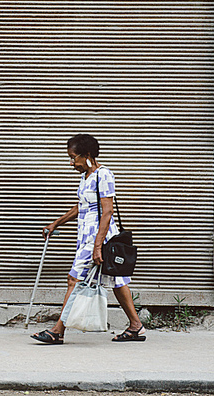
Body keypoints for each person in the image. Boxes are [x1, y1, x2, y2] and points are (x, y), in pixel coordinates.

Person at [31, 133, 146, 344]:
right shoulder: (86, 178)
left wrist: (97, 246)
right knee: (117, 281)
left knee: (74, 279)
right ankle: (135, 326)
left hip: (99, 237)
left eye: (73, 157)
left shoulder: (104, 175)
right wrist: (57, 222)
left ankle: (57, 331)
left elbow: (107, 211)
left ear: (87, 155)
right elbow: (82, 206)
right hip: (87, 236)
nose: (71, 163)